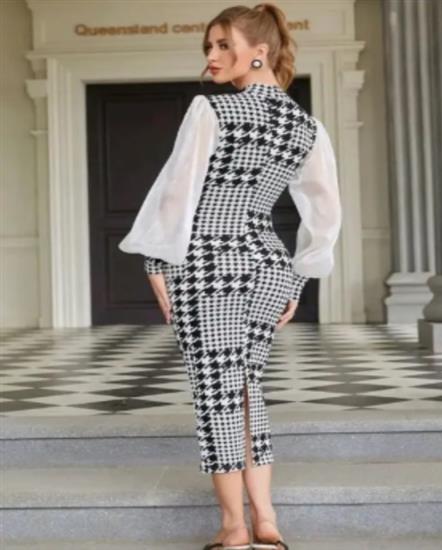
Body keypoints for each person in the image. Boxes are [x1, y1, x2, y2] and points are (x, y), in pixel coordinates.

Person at [119, 3, 342, 549]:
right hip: (268, 264)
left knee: (217, 392)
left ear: (259, 52)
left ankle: (234, 527)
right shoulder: (307, 126)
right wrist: (299, 276)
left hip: (206, 260)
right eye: (209, 47)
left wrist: (155, 260)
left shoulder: (211, 111)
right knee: (246, 387)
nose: (212, 56)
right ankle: (266, 519)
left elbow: (178, 191)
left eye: (224, 45)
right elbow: (324, 212)